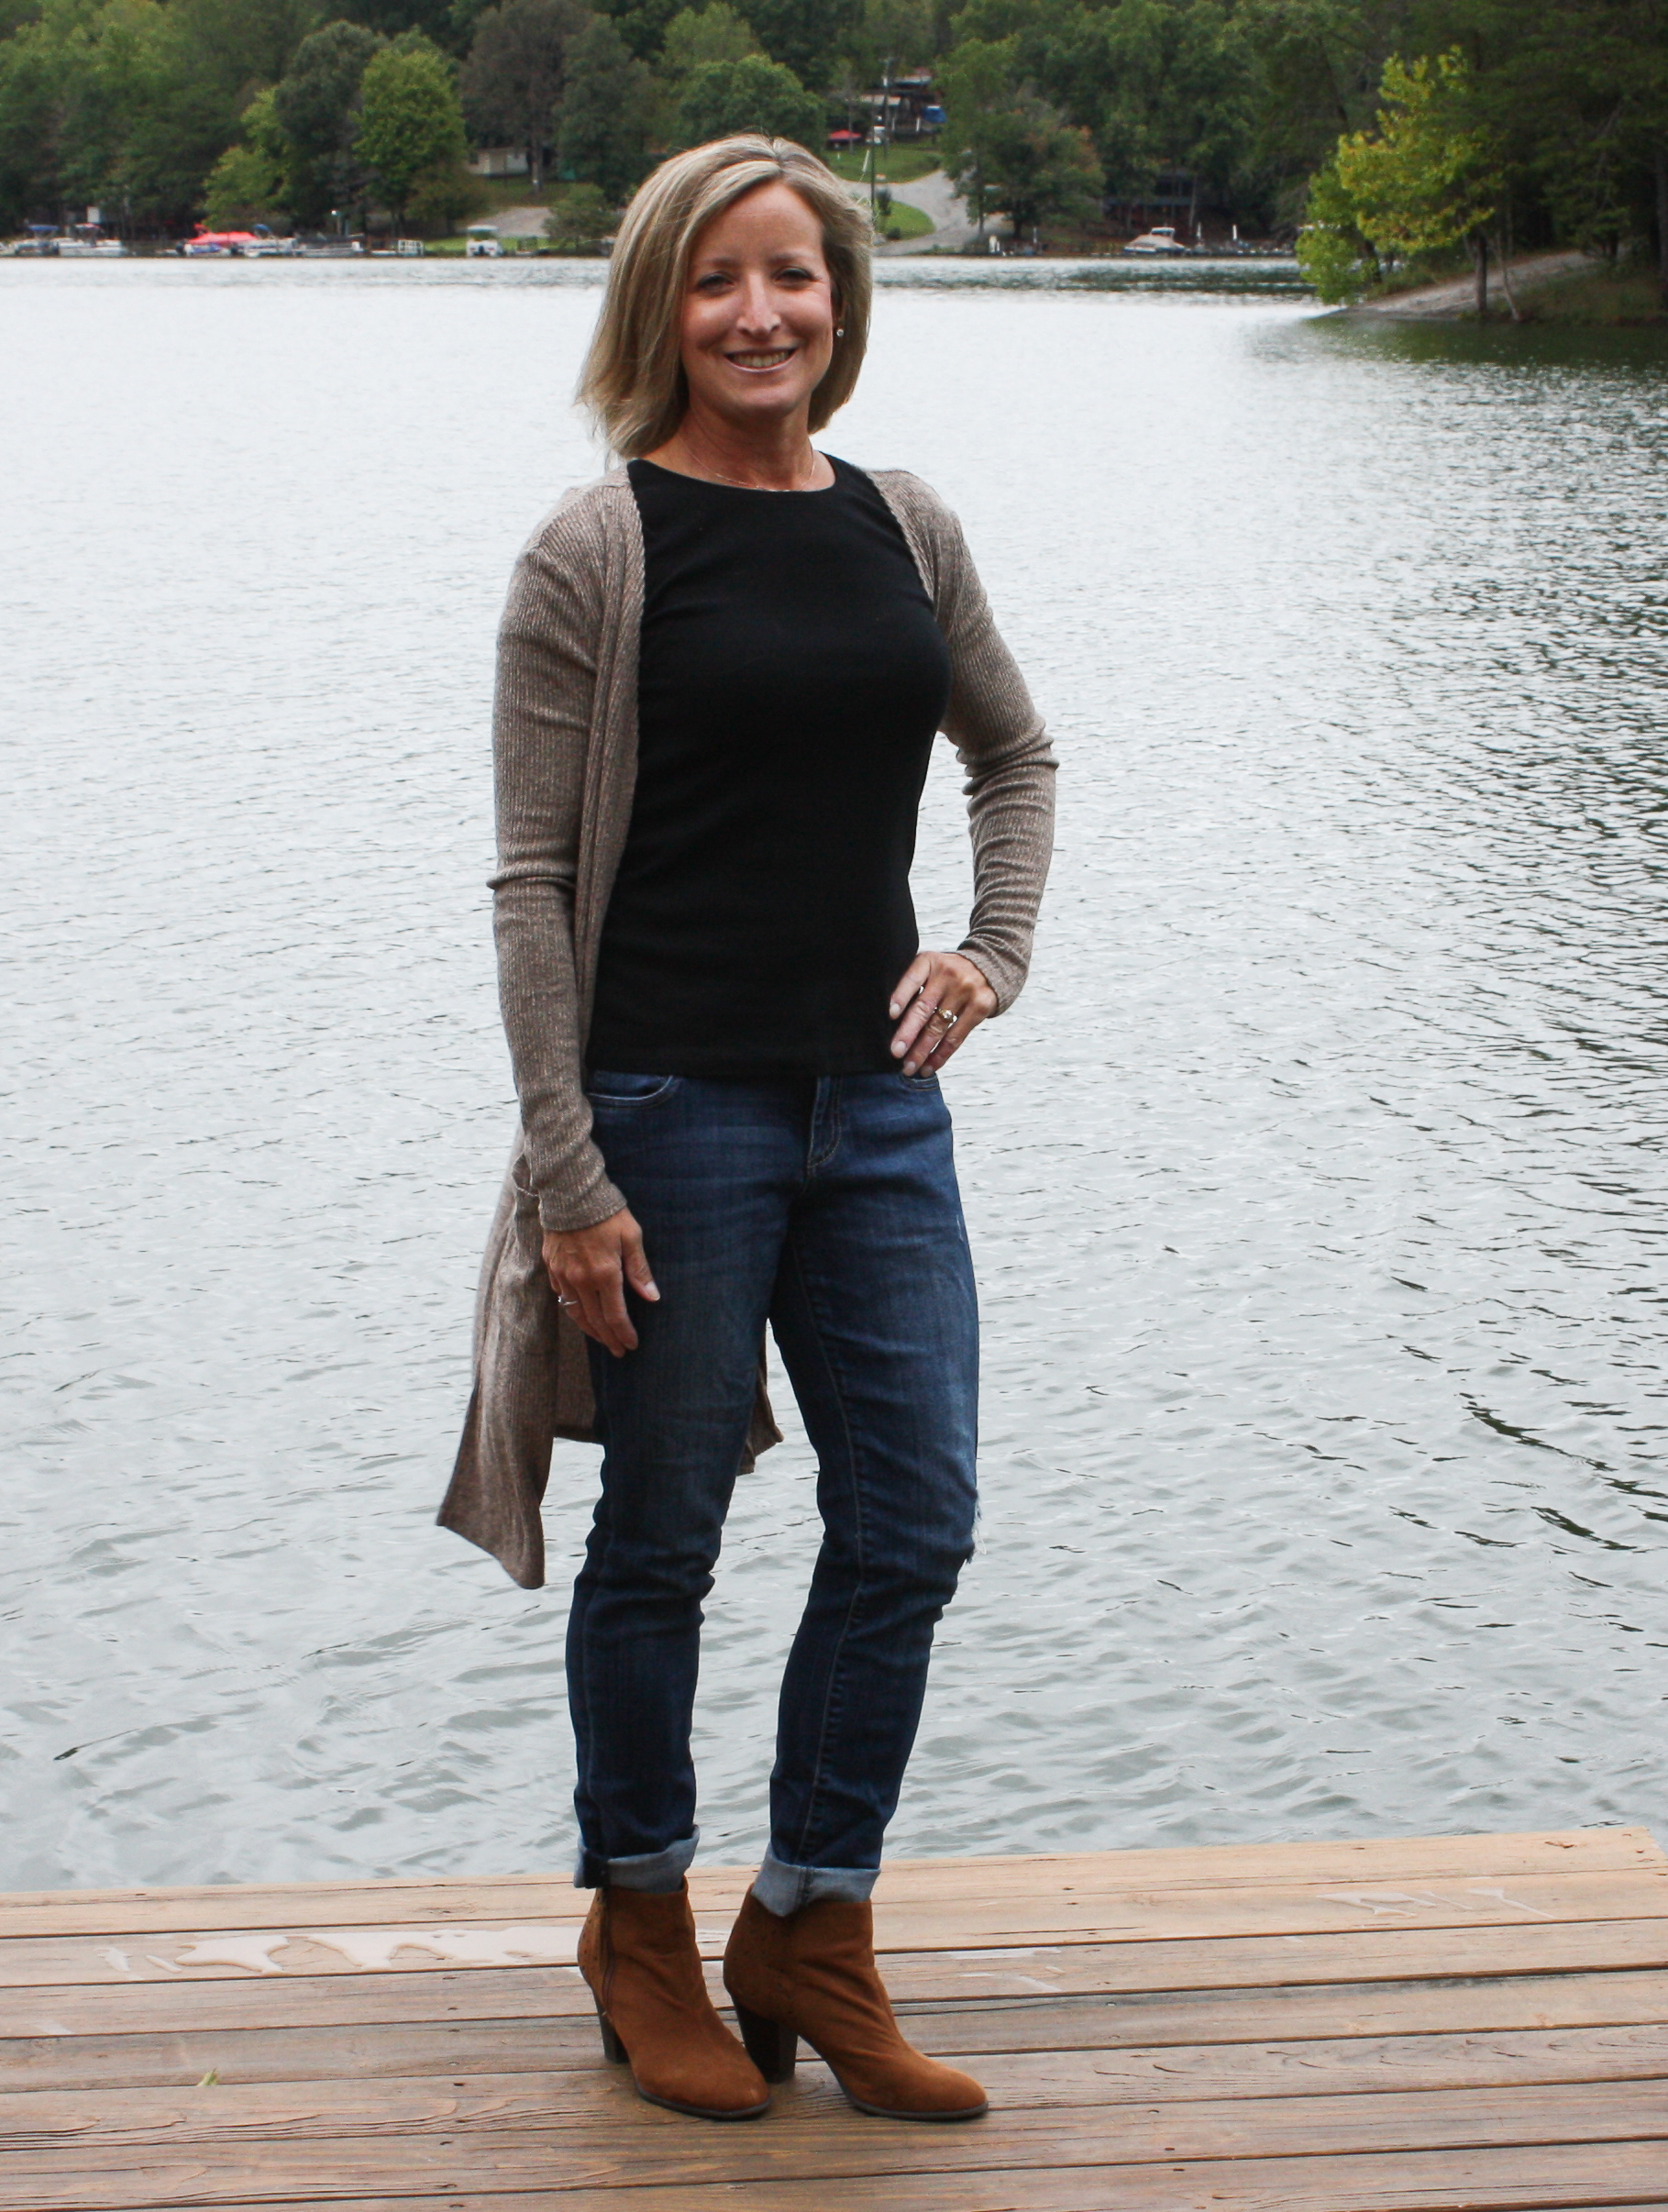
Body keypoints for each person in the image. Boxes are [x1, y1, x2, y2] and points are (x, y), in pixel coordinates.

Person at [438, 132, 1055, 2125]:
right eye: (716, 280)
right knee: (666, 1540)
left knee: (916, 1518)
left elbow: (1015, 751)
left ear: (840, 303)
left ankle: (810, 1921)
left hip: (876, 1119)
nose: (760, 313)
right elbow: (531, 883)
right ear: (659, 308)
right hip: (665, 1115)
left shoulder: (905, 523)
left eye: (792, 275)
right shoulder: (595, 549)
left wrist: (991, 953)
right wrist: (569, 1175)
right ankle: (639, 1925)